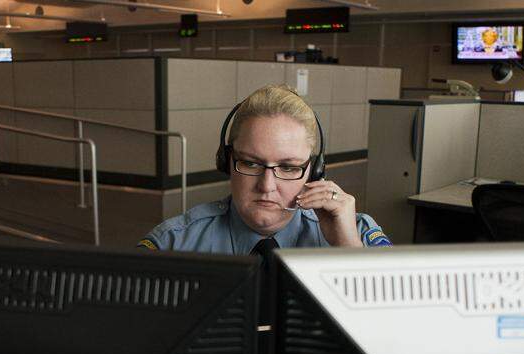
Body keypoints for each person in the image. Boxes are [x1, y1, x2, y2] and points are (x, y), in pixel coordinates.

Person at [138, 84, 391, 254]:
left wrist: (348, 249)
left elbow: (401, 326)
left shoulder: (357, 234)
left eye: (289, 167)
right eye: (250, 163)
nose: (267, 186)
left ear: (314, 172)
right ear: (226, 161)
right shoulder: (173, 243)